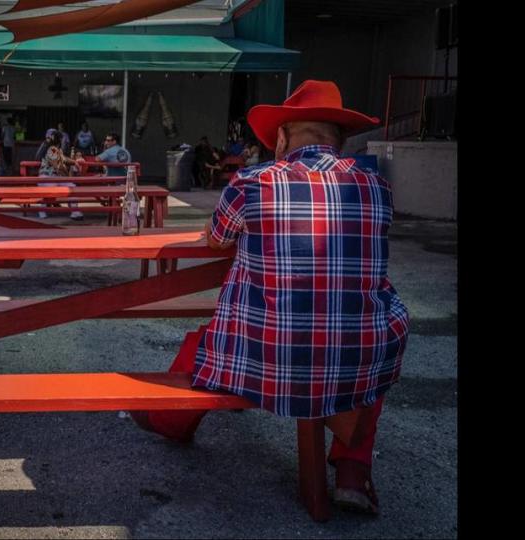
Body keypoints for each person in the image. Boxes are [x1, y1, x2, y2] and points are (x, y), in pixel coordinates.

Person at [131, 80, 409, 516]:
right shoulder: (376, 188)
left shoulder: (254, 182)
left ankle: (169, 422)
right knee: (372, 331)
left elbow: (218, 239)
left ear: (281, 138)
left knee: (206, 343)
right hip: (352, 365)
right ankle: (353, 471)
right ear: (338, 139)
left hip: (267, 360)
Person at [37, 130, 82, 220]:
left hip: (58, 177)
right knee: (49, 190)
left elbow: (64, 159)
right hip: (47, 177)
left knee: (72, 187)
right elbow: (58, 166)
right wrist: (68, 176)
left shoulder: (58, 149)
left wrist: (74, 162)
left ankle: (75, 212)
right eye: (62, 138)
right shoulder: (51, 149)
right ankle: (42, 210)